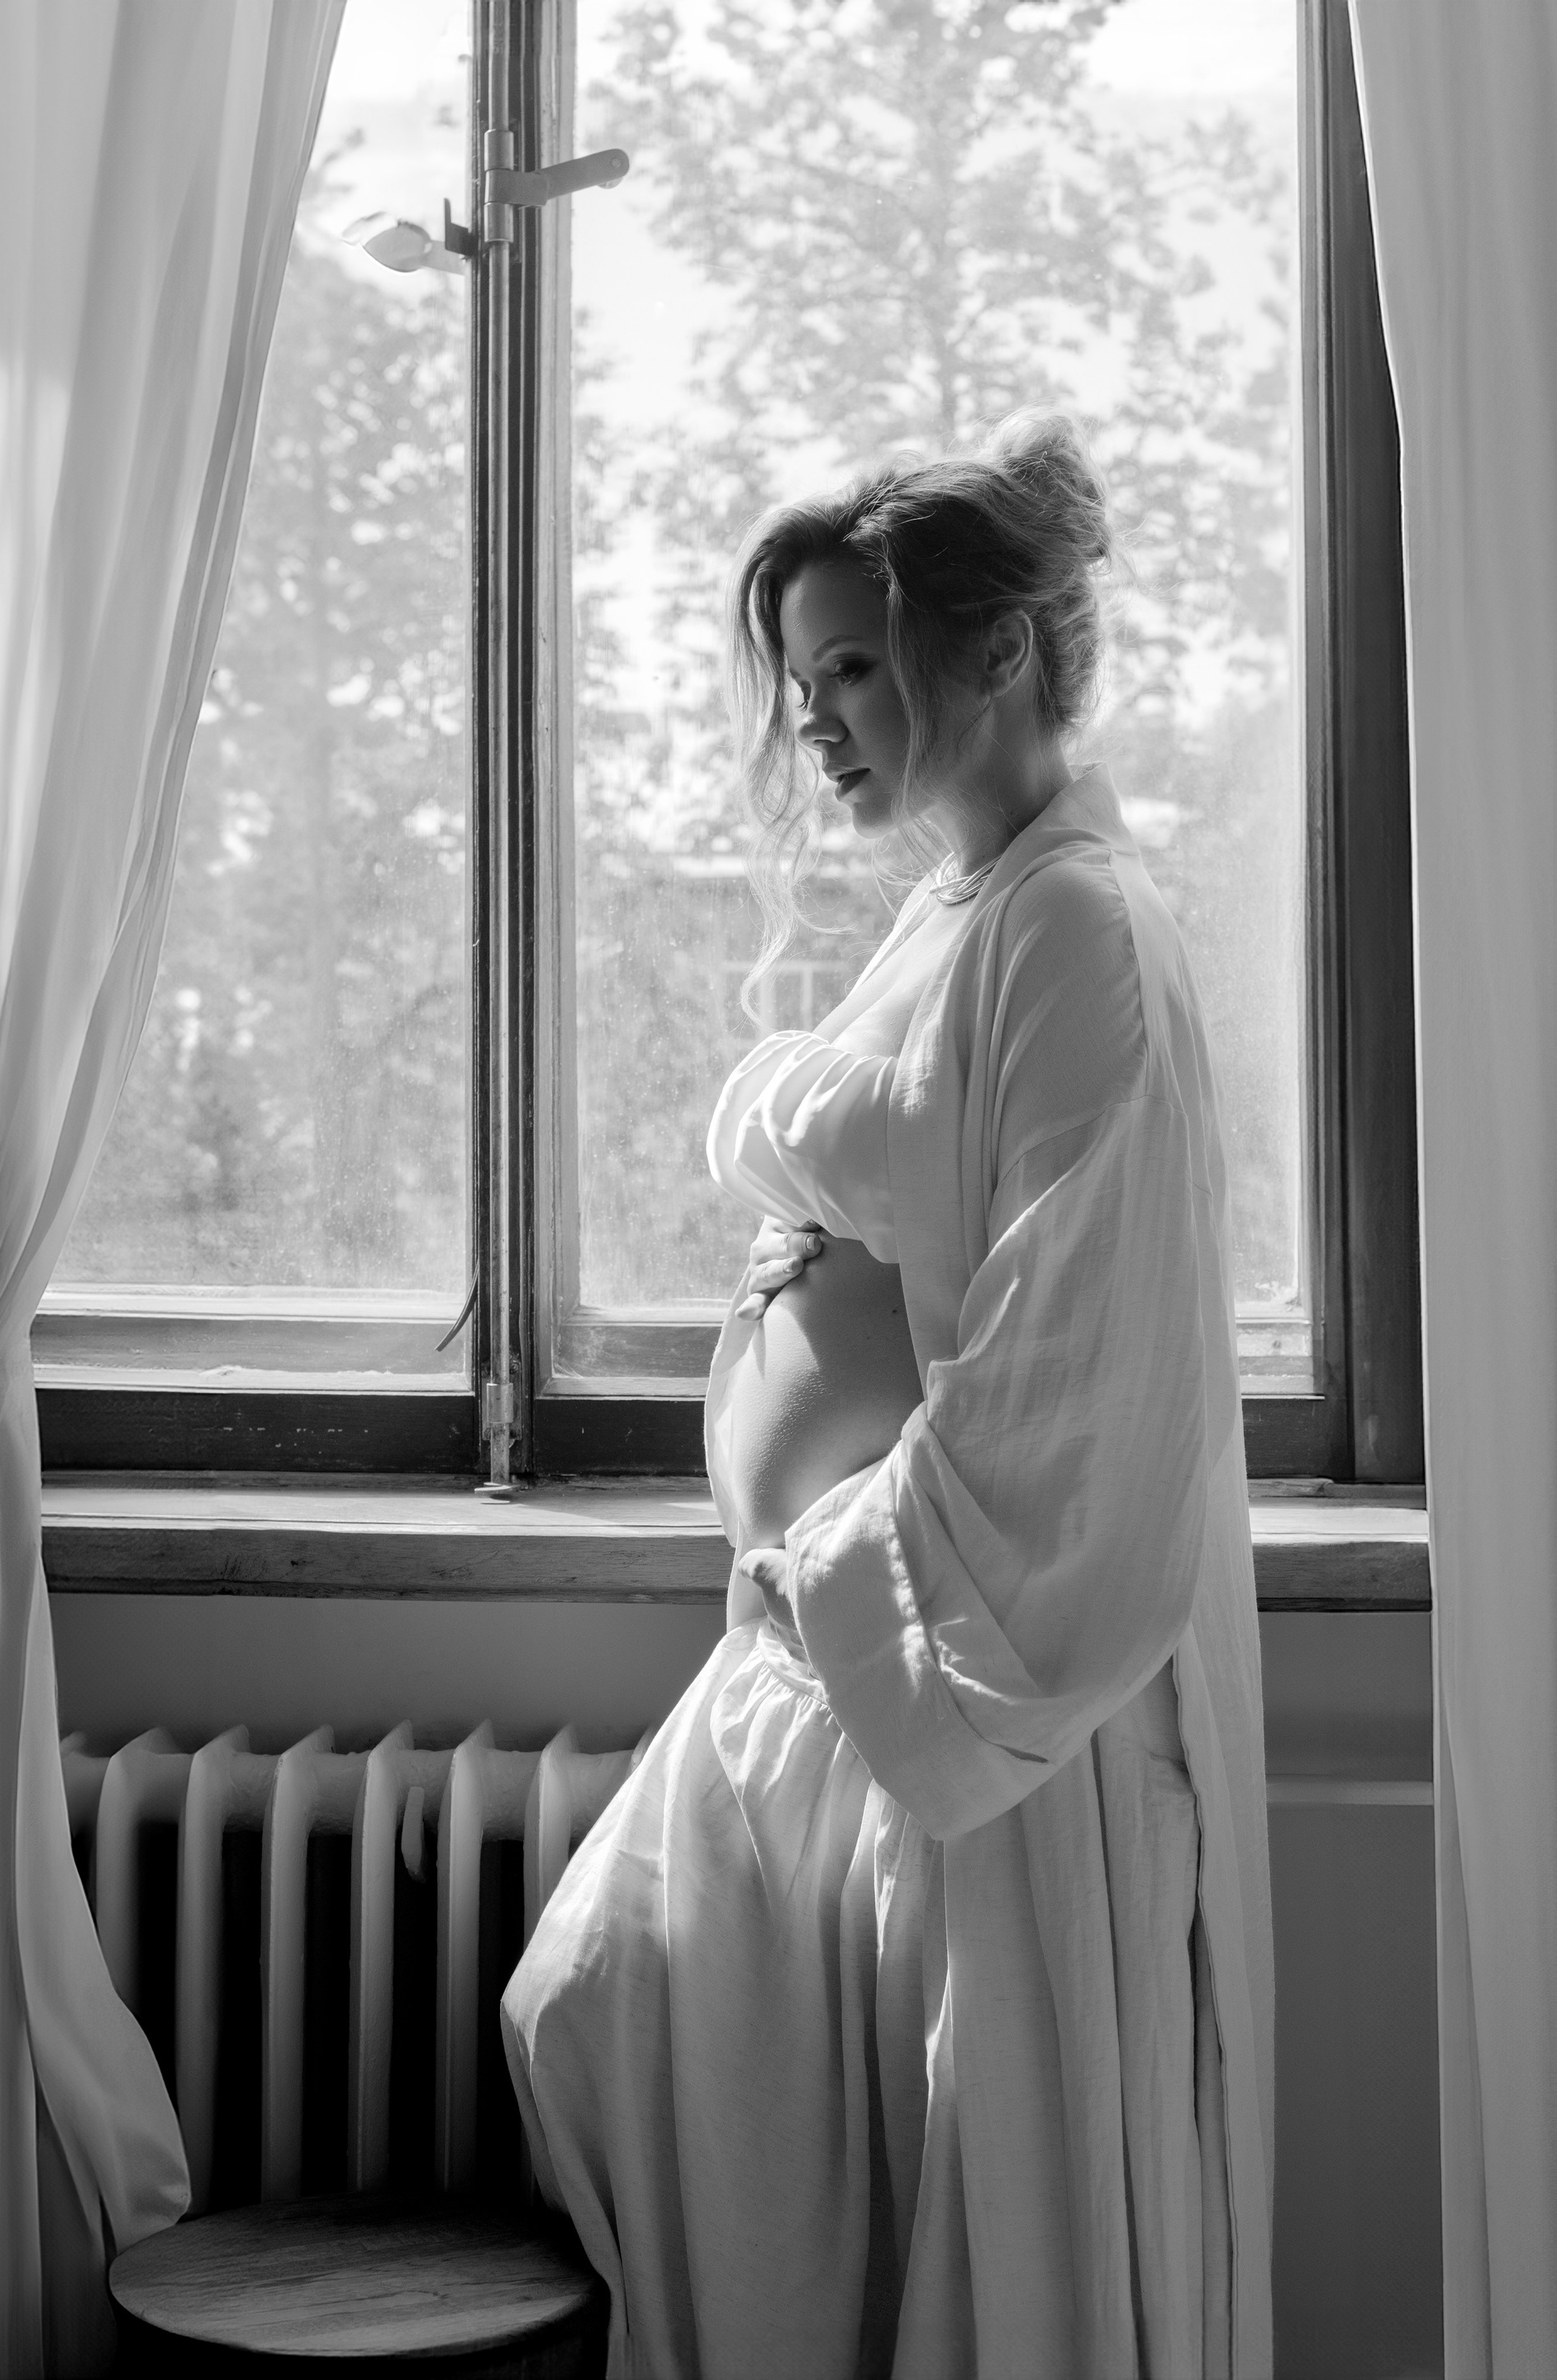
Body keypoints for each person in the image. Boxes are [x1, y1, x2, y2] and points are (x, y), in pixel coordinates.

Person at [502, 413, 1274, 2379]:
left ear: (996, 650)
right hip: (851, 1661)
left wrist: (828, 1570)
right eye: (804, 676)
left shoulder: (1080, 932)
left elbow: (1076, 1378)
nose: (815, 719)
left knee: (944, 2222)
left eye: (851, 666)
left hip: (962, 1699)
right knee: (597, 2017)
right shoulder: (969, 909)